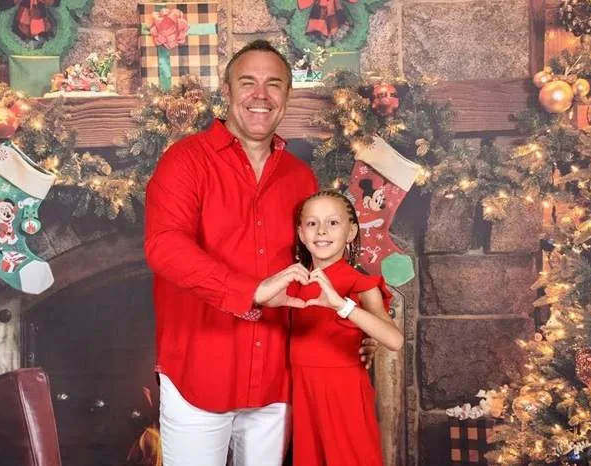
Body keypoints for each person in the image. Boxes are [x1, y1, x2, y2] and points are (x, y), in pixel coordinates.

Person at [144, 40, 377, 466]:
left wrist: (353, 332)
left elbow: (320, 269)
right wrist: (251, 291)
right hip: (200, 372)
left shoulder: (300, 177)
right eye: (247, 82)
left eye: (274, 84)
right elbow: (165, 247)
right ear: (227, 92)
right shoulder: (185, 161)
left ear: (287, 96)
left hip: (276, 374)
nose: (261, 95)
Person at [288, 190, 403, 466]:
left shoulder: (360, 284)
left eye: (333, 222)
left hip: (344, 395)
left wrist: (342, 305)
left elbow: (394, 339)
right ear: (301, 233)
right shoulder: (292, 282)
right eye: (312, 223)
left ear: (351, 232)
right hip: (303, 394)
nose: (322, 231)